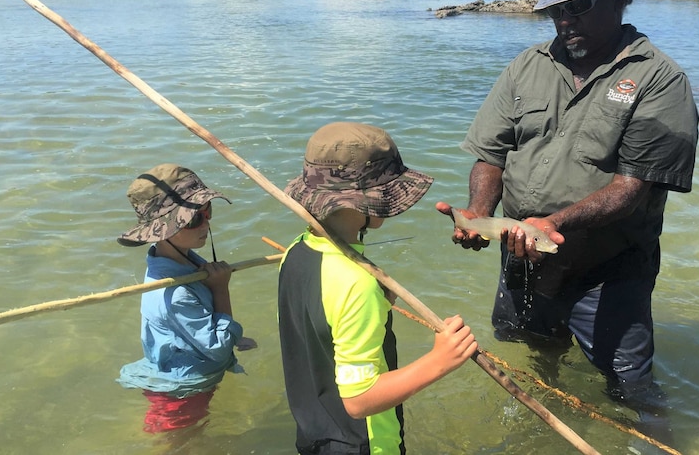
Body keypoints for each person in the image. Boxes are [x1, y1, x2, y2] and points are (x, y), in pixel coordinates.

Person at [436, 0, 698, 427]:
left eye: (579, 6)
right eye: (556, 8)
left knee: (631, 387)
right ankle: (543, 428)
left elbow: (631, 189)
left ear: (619, 0)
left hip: (609, 268)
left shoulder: (659, 80)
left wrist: (551, 224)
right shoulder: (528, 65)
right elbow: (492, 153)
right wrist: (478, 211)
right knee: (534, 359)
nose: (565, 20)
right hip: (522, 255)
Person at [279, 122, 478, 455]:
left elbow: (321, 325)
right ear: (366, 202)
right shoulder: (356, 282)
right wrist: (440, 360)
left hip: (314, 431)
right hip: (364, 445)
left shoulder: (296, 251)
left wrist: (377, 303)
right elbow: (359, 399)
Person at [115, 163, 256, 434]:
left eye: (207, 212)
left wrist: (234, 337)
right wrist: (221, 289)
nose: (206, 224)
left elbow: (199, 323)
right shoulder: (175, 292)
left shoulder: (176, 258)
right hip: (182, 390)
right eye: (193, 219)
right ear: (165, 229)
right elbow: (217, 348)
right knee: (182, 442)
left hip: (181, 379)